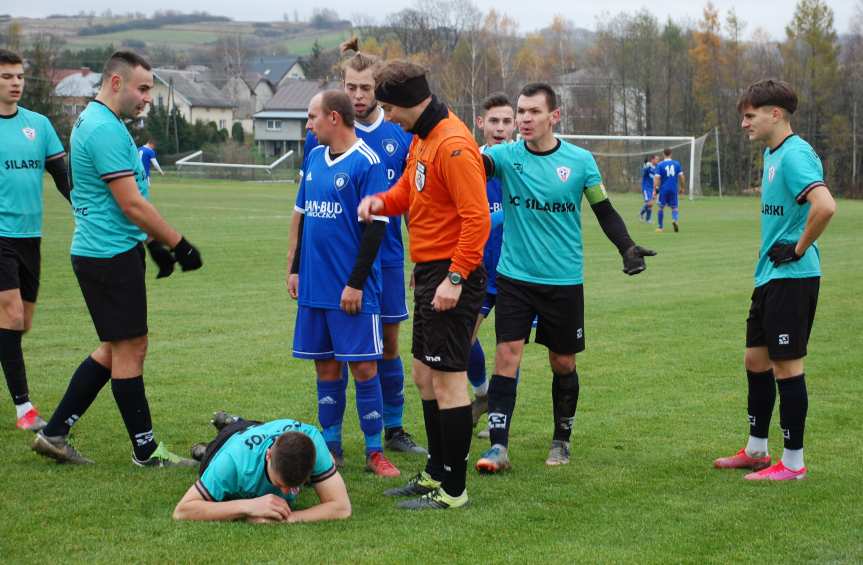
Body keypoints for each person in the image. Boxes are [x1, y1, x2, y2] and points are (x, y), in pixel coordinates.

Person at [32, 51, 202, 466]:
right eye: (142, 88)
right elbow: (131, 204)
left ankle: (54, 433)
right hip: (107, 258)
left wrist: (151, 244)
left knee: (115, 347)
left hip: (109, 251)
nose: (147, 98)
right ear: (114, 83)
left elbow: (125, 202)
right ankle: (145, 451)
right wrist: (179, 243)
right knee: (131, 349)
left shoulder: (103, 123)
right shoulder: (104, 129)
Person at [475, 82, 655, 474]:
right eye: (520, 111)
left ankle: (561, 439)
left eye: (533, 112)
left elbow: (604, 211)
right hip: (514, 278)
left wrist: (626, 247)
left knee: (563, 362)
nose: (524, 119)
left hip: (563, 280)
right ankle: (497, 448)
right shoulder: (503, 156)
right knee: (507, 355)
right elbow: (472, 166)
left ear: (554, 116)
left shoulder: (580, 162)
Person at [358, 60, 490, 510]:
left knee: (449, 381)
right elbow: (411, 193)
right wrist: (380, 201)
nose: (387, 116)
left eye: (390, 108)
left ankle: (453, 490)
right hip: (433, 270)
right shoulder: (423, 137)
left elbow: (477, 220)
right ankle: (435, 472)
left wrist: (454, 277)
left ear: (412, 102)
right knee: (423, 375)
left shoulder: (452, 144)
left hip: (455, 274)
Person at [290, 39, 425, 460]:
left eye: (366, 88)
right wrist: (293, 263)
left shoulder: (398, 133)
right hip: (334, 266)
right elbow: (304, 207)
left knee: (385, 346)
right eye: (351, 87)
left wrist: (421, 259)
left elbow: (415, 206)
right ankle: (343, 440)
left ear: (379, 89)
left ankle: (393, 429)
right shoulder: (322, 141)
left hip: (383, 257)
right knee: (339, 354)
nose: (359, 96)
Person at [714, 79, 835, 481]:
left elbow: (825, 206)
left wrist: (798, 248)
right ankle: (757, 450)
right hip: (770, 277)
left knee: (787, 367)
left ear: (775, 114)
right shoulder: (772, 153)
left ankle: (794, 463)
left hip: (792, 277)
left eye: (750, 116)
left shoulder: (795, 155)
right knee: (756, 360)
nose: (744, 124)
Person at [288, 90, 400, 478]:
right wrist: (296, 268)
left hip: (351, 292)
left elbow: (375, 231)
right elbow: (305, 216)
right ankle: (331, 447)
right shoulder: (316, 157)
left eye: (312, 116)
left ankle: (374, 450)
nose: (308, 124)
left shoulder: (368, 162)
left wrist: (354, 284)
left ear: (334, 118)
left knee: (365, 370)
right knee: (325, 370)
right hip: (315, 287)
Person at [0, 49, 71, 431]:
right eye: (6, 76)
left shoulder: (39, 125)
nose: (15, 83)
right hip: (0, 236)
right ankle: (24, 409)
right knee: (10, 315)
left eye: (19, 76)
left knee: (20, 323)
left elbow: (62, 177)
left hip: (31, 236)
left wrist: (85, 209)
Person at [172, 411, 351, 523]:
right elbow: (183, 510)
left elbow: (342, 507)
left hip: (258, 428)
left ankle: (233, 421)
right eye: (281, 485)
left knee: (330, 461)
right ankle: (205, 450)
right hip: (225, 447)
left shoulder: (312, 440)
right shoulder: (231, 462)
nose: (288, 493)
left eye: (297, 485)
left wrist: (291, 518)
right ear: (268, 456)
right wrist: (249, 506)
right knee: (213, 453)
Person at [467, 93, 516, 437]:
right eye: (494, 121)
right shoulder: (471, 162)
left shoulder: (522, 162)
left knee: (509, 349)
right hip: (479, 269)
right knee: (463, 337)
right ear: (481, 123)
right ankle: (483, 393)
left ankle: (500, 416)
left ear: (515, 125)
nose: (500, 128)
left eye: (506, 121)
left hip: (516, 270)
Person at [653, 148, 685, 232]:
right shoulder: (676, 164)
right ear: (671, 154)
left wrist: (655, 190)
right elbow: (681, 177)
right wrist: (682, 188)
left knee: (661, 207)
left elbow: (656, 178)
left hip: (663, 189)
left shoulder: (660, 165)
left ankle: (660, 227)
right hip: (674, 189)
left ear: (663, 154)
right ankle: (675, 220)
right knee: (674, 207)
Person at [638, 154, 658, 223]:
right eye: (656, 159)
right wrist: (645, 165)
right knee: (649, 203)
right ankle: (641, 213)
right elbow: (643, 172)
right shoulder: (648, 166)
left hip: (652, 188)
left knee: (651, 204)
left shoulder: (656, 168)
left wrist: (657, 188)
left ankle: (648, 219)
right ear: (652, 160)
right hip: (646, 187)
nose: (657, 161)